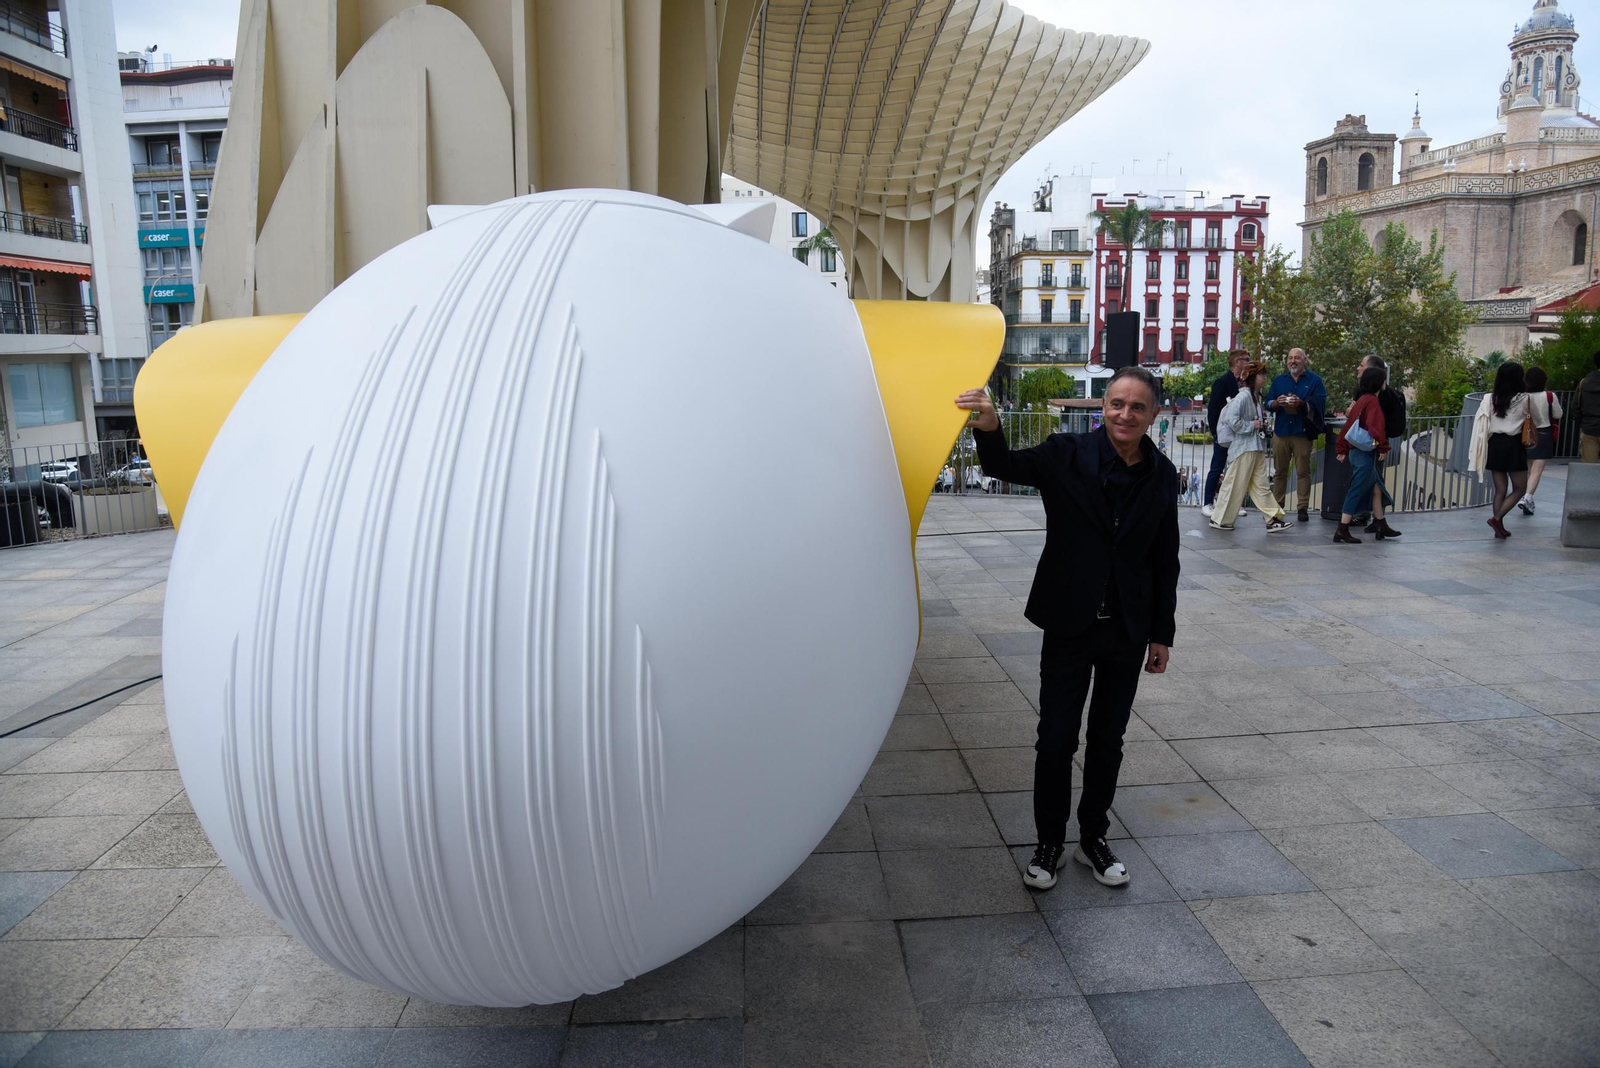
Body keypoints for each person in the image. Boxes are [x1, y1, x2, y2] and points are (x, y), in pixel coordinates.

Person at [956, 366, 1179, 892]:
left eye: (1138, 407)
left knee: (1108, 740)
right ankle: (1049, 842)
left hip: (1126, 628)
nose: (1125, 414)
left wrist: (1161, 633)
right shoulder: (1065, 454)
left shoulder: (1162, 474)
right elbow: (1003, 464)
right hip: (1069, 624)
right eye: (1117, 403)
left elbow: (1164, 559)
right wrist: (988, 424)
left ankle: (1093, 840)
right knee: (1055, 740)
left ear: (1154, 414)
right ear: (1103, 406)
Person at [1209, 362, 1293, 532]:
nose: (1264, 378)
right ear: (1253, 377)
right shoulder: (1243, 397)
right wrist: (1252, 425)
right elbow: (1232, 420)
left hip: (1253, 447)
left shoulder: (1252, 397)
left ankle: (1271, 519)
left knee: (1259, 485)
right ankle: (1220, 519)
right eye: (1262, 375)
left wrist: (1257, 424)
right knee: (1235, 484)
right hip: (1244, 448)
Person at [1332, 366, 1399, 542]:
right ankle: (1342, 528)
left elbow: (1350, 426)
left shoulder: (1361, 400)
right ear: (1380, 383)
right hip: (1364, 454)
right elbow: (1375, 427)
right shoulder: (1373, 402)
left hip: (1355, 452)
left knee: (1376, 487)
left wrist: (1342, 448)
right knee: (1357, 489)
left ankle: (1380, 523)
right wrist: (1383, 447)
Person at [1470, 361, 1532, 538]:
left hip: (1495, 444)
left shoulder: (1490, 398)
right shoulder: (1525, 398)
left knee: (1500, 489)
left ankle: (1499, 528)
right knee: (1520, 488)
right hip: (1514, 445)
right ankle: (1497, 519)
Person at [1266, 348, 1326, 523]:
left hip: (1302, 432)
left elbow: (1321, 402)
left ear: (1305, 360)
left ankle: (1302, 507)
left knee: (1303, 472)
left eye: (1297, 358)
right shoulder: (1279, 381)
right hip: (1281, 432)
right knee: (1279, 472)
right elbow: (1267, 402)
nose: (1293, 361)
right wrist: (1277, 402)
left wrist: (1302, 403)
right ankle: (1277, 506)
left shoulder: (1315, 381)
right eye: (1290, 358)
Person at [1202, 351, 1251, 516]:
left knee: (1235, 469)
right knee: (1217, 467)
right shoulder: (1223, 382)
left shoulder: (1245, 383)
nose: (1249, 362)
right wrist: (1216, 432)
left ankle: (1232, 503)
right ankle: (1208, 503)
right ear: (1238, 362)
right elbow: (1213, 409)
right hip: (1224, 434)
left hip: (1240, 434)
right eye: (1247, 360)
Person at [1518, 366, 1563, 515]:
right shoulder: (1550, 396)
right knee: (1537, 470)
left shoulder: (1522, 396)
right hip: (1544, 433)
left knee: (1529, 469)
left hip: (1526, 434)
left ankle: (1526, 498)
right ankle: (1527, 498)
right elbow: (1558, 414)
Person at [1575, 348, 1600, 463]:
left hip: (1589, 428)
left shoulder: (1584, 382)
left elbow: (1576, 406)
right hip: (1590, 426)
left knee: (1588, 468)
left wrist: (1583, 422)